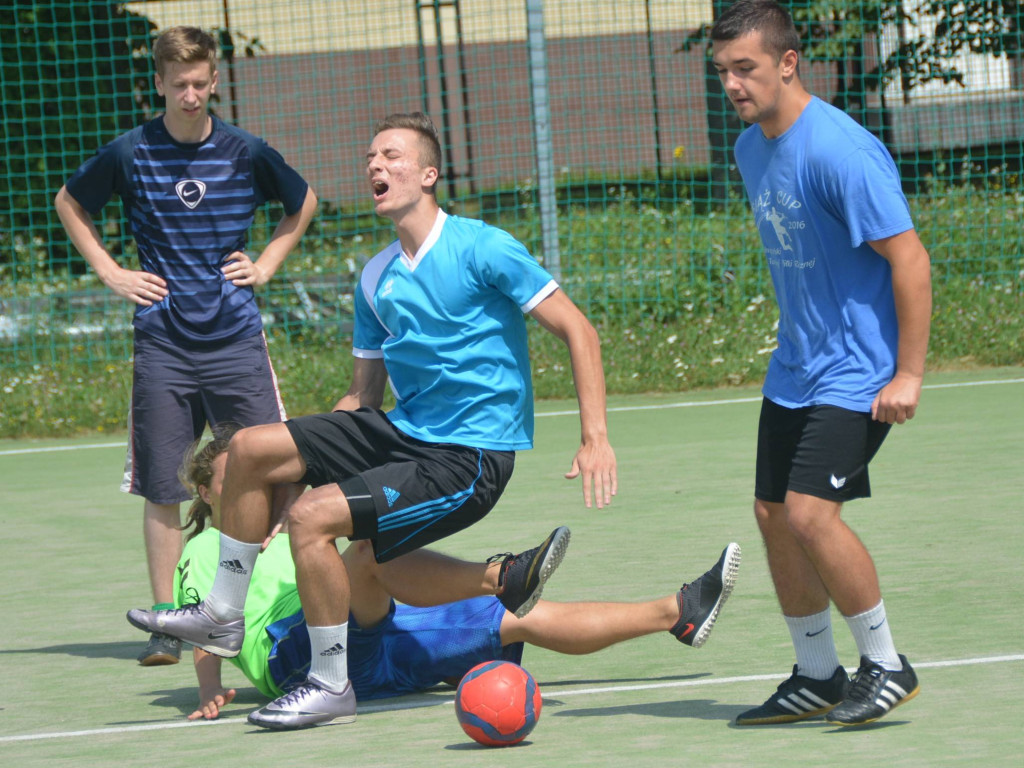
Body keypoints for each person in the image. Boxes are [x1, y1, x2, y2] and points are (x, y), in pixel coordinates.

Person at [127, 111, 618, 729]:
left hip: (468, 454)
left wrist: (594, 437)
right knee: (251, 447)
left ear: (429, 173)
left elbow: (579, 330)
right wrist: (309, 456)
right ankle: (223, 612)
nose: (375, 167)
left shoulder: (482, 246)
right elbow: (362, 395)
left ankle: (331, 686)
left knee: (311, 519)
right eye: (369, 159)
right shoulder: (376, 276)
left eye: (391, 156)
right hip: (405, 431)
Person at [130, 433, 738, 723]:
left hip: (368, 633)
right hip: (293, 652)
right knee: (371, 548)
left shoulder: (297, 523)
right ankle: (503, 573)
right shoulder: (209, 546)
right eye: (237, 479)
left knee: (511, 622)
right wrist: (208, 686)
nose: (254, 486)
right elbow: (208, 620)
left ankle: (677, 611)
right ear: (210, 493)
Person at [54, 26, 318, 667]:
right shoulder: (130, 151)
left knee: (278, 476)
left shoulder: (243, 151)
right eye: (180, 86)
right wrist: (113, 273)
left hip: (234, 340)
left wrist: (269, 262)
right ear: (159, 84)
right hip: (163, 345)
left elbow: (301, 201)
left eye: (201, 84)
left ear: (214, 80)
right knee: (163, 487)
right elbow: (69, 202)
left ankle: (271, 608)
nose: (192, 95)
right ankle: (169, 625)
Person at [709, 1, 932, 727]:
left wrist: (908, 374)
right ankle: (817, 675)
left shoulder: (843, 150)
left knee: (810, 514)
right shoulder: (750, 147)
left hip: (859, 370)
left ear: (787, 62)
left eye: (746, 68)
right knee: (773, 513)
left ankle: (887, 662)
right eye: (723, 72)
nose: (734, 85)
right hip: (796, 368)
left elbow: (910, 260)